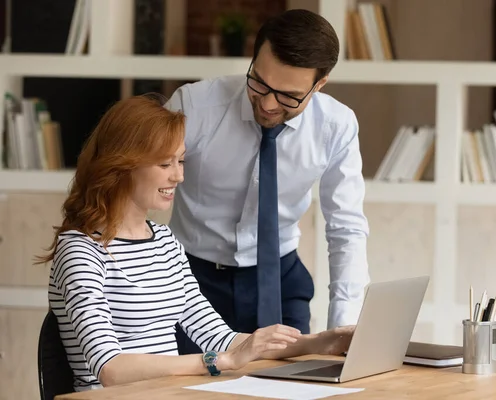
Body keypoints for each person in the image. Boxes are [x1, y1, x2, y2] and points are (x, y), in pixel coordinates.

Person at [37, 94, 354, 392]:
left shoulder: (164, 242)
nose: (178, 177)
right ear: (122, 166)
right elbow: (110, 367)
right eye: (165, 164)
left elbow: (220, 338)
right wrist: (220, 362)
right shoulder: (80, 250)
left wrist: (321, 342)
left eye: (181, 161)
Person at [165, 9, 370, 356]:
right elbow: (134, 184)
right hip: (191, 282)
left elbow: (346, 228)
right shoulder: (194, 107)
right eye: (259, 83)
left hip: (280, 279)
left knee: (285, 388)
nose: (269, 104)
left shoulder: (336, 125)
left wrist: (343, 330)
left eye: (289, 96)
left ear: (319, 85)